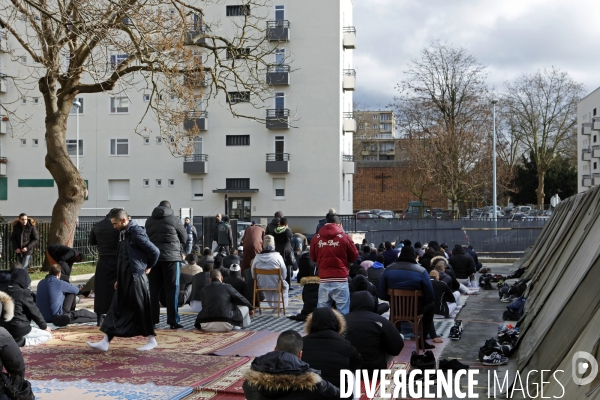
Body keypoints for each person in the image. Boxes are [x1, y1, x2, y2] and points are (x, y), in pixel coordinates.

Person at [87, 208, 160, 352]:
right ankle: (105, 341)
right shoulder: (123, 233)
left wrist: (148, 266)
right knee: (116, 307)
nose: (113, 227)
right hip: (125, 277)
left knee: (141, 308)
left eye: (115, 223)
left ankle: (152, 339)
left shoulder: (136, 233)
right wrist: (119, 278)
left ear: (124, 220)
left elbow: (155, 251)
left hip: (136, 277)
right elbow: (123, 257)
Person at [243, 330, 340, 400]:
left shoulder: (250, 382)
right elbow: (339, 395)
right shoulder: (312, 383)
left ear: (274, 349)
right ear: (300, 354)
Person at [378, 245, 436, 350]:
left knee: (394, 309)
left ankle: (395, 339)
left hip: (396, 309)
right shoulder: (421, 271)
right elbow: (430, 296)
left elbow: (381, 294)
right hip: (416, 310)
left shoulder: (388, 269)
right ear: (414, 256)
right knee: (431, 306)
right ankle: (422, 341)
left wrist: (394, 299)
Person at [145, 200, 187, 330]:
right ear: (170, 208)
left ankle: (152, 321)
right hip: (172, 259)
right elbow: (184, 237)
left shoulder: (149, 221)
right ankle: (173, 321)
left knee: (153, 291)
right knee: (172, 290)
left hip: (153, 259)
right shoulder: (175, 219)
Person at [301, 307, 362, 391]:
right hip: (337, 392)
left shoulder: (302, 343)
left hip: (309, 392)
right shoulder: (345, 344)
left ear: (311, 323)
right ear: (337, 322)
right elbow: (357, 363)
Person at [345, 291, 404, 374]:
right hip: (374, 370)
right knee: (399, 336)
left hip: (349, 369)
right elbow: (397, 347)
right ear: (372, 304)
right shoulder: (381, 320)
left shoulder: (341, 321)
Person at [310, 214, 358, 315]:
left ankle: (322, 329)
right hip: (340, 279)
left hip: (324, 278)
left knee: (322, 311)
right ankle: (342, 330)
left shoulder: (316, 238)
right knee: (343, 311)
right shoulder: (345, 238)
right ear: (339, 224)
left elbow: (313, 258)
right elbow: (354, 256)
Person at [0, 269, 51, 347]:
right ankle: (23, 342)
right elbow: (34, 312)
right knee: (47, 335)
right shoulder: (24, 293)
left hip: (4, 329)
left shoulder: (2, 291)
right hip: (19, 329)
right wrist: (44, 326)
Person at [89, 209, 121, 325]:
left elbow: (92, 241)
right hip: (117, 260)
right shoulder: (118, 226)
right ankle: (115, 316)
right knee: (116, 289)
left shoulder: (97, 225)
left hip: (102, 260)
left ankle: (99, 318)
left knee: (100, 289)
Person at [251, 235, 289, 307]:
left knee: (269, 284)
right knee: (285, 285)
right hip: (276, 284)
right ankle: (280, 306)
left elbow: (253, 275)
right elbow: (284, 275)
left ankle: (273, 305)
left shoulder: (257, 257)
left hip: (261, 285)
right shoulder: (278, 257)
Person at [273, 218, 294, 287]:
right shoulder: (287, 231)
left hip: (277, 249)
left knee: (278, 266)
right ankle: (288, 283)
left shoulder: (275, 231)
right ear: (285, 224)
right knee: (287, 266)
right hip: (287, 250)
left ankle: (278, 282)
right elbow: (291, 238)